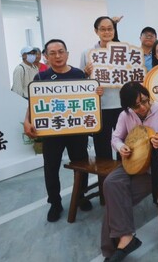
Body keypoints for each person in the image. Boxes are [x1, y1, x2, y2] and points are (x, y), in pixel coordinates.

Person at [24, 39, 103, 222]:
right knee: (51, 167)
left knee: (81, 165)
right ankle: (55, 203)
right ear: (46, 56)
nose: (57, 56)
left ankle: (81, 196)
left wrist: (96, 92)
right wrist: (27, 120)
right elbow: (33, 103)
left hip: (76, 131)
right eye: (52, 53)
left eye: (61, 52)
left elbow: (88, 100)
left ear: (67, 54)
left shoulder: (78, 74)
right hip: (51, 133)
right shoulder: (41, 78)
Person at [101, 82, 158, 261]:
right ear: (128, 107)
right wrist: (121, 147)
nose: (143, 107)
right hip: (133, 162)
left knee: (116, 201)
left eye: (145, 101)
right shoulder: (125, 115)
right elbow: (116, 137)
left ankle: (112, 251)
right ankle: (126, 239)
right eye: (137, 106)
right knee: (110, 183)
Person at [81, 16, 123, 159]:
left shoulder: (123, 52)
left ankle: (124, 179)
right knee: (102, 148)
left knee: (123, 146)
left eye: (110, 29)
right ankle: (105, 181)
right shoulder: (87, 53)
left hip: (121, 105)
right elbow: (81, 83)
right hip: (100, 107)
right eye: (103, 29)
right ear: (96, 31)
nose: (107, 32)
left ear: (114, 30)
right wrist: (86, 74)